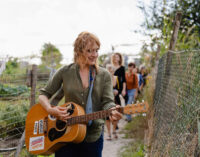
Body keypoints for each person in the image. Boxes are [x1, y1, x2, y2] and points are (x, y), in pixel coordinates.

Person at [38, 31, 122, 157]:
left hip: (93, 136)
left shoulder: (104, 75)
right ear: (79, 51)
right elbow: (43, 94)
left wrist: (112, 109)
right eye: (89, 51)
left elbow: (107, 101)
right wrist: (50, 110)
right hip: (65, 135)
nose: (94, 55)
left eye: (96, 50)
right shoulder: (65, 72)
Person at [105, 64, 121, 140]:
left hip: (115, 100)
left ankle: (114, 131)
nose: (110, 72)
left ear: (113, 71)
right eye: (109, 70)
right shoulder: (103, 79)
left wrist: (117, 91)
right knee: (107, 118)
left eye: (111, 71)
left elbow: (119, 89)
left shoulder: (116, 78)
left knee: (115, 116)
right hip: (106, 101)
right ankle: (108, 134)